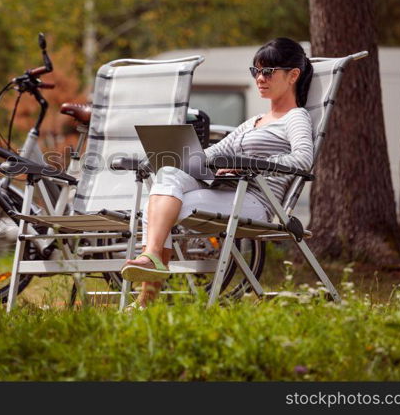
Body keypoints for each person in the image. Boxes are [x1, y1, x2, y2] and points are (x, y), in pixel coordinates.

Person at [120, 37, 315, 307]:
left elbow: (304, 159)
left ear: (293, 75)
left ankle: (145, 299)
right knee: (166, 177)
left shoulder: (296, 117)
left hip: (256, 201)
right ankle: (152, 259)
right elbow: (212, 153)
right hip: (229, 192)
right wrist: (180, 156)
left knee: (159, 208)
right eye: (256, 71)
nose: (260, 78)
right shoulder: (253, 122)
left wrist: (250, 163)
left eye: (268, 71)